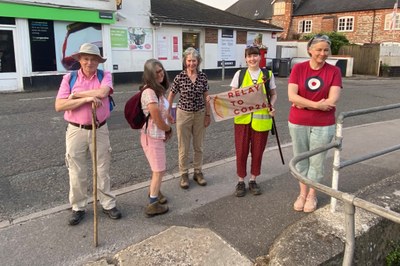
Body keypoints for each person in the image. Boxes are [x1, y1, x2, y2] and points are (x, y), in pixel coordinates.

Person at [55, 43, 121, 225]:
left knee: (103, 168)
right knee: (76, 171)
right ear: (80, 60)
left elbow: (103, 92)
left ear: (98, 62)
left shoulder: (104, 75)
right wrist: (86, 99)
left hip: (100, 128)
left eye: (93, 59)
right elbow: (59, 105)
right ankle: (78, 207)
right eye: (86, 58)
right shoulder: (69, 78)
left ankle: (107, 203)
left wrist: (75, 96)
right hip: (76, 130)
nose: (89, 62)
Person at [288, 34, 342, 213]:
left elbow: (333, 99)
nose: (322, 53)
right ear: (310, 50)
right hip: (298, 122)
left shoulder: (334, 71)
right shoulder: (298, 68)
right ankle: (302, 194)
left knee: (317, 162)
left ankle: (312, 195)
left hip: (323, 125)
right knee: (301, 158)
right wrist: (317, 105)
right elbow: (291, 96)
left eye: (326, 50)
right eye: (319, 49)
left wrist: (303, 103)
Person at [230, 45, 277, 197]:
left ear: (260, 57)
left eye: (255, 55)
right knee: (241, 151)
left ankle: (253, 179)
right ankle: (240, 181)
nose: (252, 59)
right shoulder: (240, 74)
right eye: (249, 56)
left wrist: (272, 105)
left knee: (257, 152)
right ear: (245, 58)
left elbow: (273, 94)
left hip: (261, 120)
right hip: (242, 120)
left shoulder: (268, 74)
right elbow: (232, 95)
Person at [167, 47, 211, 189]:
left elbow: (207, 97)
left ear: (198, 62)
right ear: (185, 61)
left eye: (194, 60)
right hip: (183, 114)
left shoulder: (203, 77)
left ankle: (198, 172)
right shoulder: (180, 77)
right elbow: (171, 95)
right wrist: (169, 112)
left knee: (199, 146)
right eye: (189, 60)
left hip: (199, 114)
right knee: (183, 147)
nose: (191, 63)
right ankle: (184, 174)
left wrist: (208, 115)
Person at [140, 59, 173, 217]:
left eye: (161, 71)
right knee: (159, 170)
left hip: (155, 136)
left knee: (157, 169)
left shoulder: (158, 90)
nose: (160, 74)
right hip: (152, 137)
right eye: (156, 73)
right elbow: (156, 118)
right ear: (149, 75)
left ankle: (155, 193)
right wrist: (168, 129)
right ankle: (152, 204)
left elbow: (162, 112)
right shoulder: (149, 92)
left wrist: (169, 119)